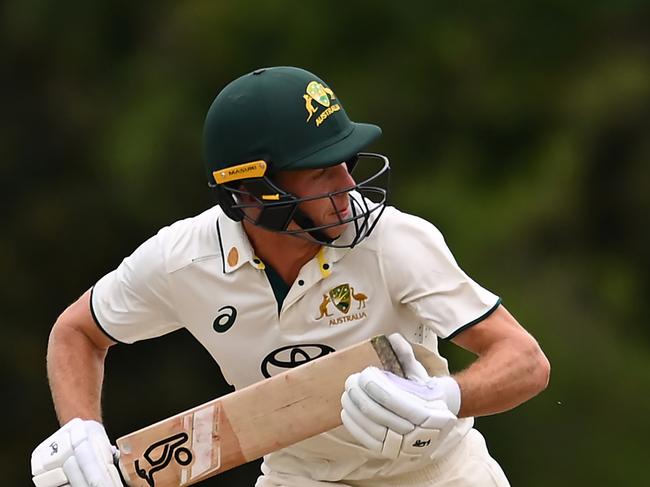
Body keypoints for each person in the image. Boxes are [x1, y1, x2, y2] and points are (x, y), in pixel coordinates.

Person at [31, 66, 550, 487]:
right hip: (301, 477)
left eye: (345, 162)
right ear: (253, 193)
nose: (349, 185)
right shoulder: (181, 260)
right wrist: (82, 429)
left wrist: (447, 398)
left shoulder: (394, 240)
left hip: (438, 473)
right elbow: (76, 332)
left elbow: (524, 361)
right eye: (323, 170)